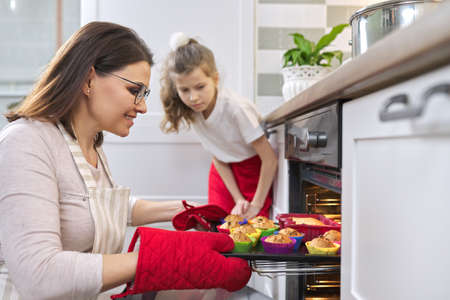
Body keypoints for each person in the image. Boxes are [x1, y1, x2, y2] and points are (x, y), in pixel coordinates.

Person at [0, 22, 250, 300]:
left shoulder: (90, 145)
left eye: (144, 94)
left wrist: (184, 209)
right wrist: (162, 256)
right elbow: (39, 275)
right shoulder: (26, 142)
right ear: (88, 80)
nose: (143, 106)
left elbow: (104, 207)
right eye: (135, 91)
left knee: (202, 290)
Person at [160, 33, 278, 220]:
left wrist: (255, 204)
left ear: (215, 79)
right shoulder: (193, 111)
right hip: (223, 171)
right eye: (185, 90)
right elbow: (218, 155)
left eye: (200, 87)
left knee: (251, 227)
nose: (193, 97)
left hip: (254, 170)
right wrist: (237, 198)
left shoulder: (236, 109)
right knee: (217, 224)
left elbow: (270, 159)